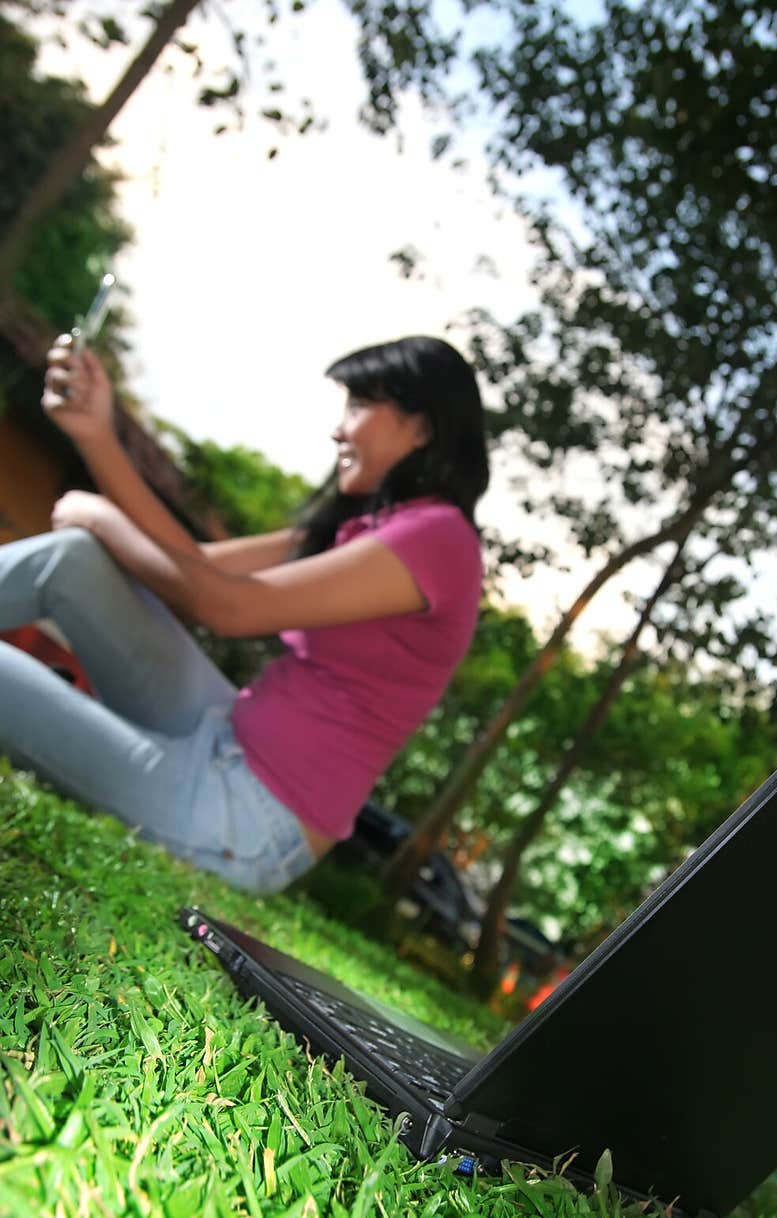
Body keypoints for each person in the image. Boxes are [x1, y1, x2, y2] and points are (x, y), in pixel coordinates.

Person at [0, 332, 489, 894]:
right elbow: (199, 566)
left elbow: (226, 607)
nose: (338, 429)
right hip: (223, 731)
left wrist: (104, 518)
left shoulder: (439, 538)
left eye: (358, 406)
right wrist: (95, 433)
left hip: (245, 816)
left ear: (422, 427)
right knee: (74, 561)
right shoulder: (362, 528)